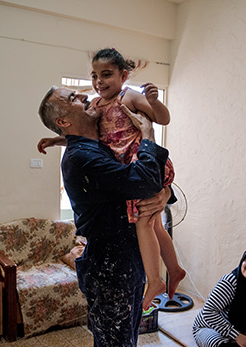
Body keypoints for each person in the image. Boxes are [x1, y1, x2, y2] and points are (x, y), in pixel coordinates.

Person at [38, 86, 172, 347]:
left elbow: (148, 186)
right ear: (65, 123)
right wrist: (149, 136)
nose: (84, 96)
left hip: (124, 262)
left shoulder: (101, 145)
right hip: (110, 268)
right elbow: (140, 180)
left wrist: (164, 195)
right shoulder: (82, 158)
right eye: (72, 99)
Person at [38, 48, 185, 311]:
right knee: (153, 224)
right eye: (95, 76)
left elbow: (162, 119)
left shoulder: (129, 97)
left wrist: (155, 102)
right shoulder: (92, 118)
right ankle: (170, 271)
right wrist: (58, 139)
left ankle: (158, 278)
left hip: (141, 162)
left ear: (124, 75)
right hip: (132, 171)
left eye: (106, 75)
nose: (98, 83)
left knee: (147, 223)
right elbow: (81, 133)